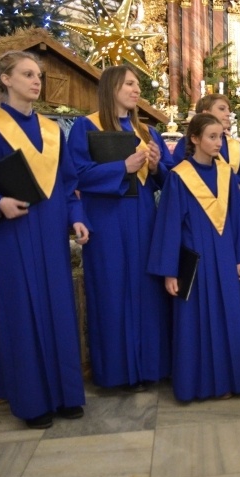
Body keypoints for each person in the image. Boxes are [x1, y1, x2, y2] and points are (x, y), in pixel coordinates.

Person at [0, 51, 89, 428]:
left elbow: (67, 183)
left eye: (39, 76)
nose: (36, 81)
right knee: (22, 310)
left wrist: (76, 217)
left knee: (58, 307)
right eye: (28, 74)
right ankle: (32, 402)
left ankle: (66, 394)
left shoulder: (52, 130)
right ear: (6, 79)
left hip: (50, 233)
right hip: (11, 232)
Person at [67, 64, 172, 392]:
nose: (136, 89)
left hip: (144, 218)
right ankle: (117, 373)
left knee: (147, 291)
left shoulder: (147, 132)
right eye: (128, 84)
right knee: (112, 291)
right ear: (111, 88)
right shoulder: (87, 126)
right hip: (107, 220)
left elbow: (168, 179)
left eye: (137, 84)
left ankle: (151, 368)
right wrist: (121, 167)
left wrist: (156, 167)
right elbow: (75, 175)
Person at [147, 113, 240, 401]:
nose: (218, 142)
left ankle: (229, 381)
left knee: (228, 318)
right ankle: (197, 385)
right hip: (194, 261)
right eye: (212, 137)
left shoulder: (226, 174)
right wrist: (170, 271)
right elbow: (169, 225)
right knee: (195, 323)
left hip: (225, 256)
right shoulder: (180, 177)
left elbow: (236, 219)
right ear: (194, 138)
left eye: (221, 136)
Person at [172, 94, 240, 211]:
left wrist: (237, 188)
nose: (228, 114)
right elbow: (181, 178)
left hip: (233, 207)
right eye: (222, 109)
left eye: (229, 110)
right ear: (205, 113)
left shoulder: (235, 146)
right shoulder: (189, 143)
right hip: (200, 208)